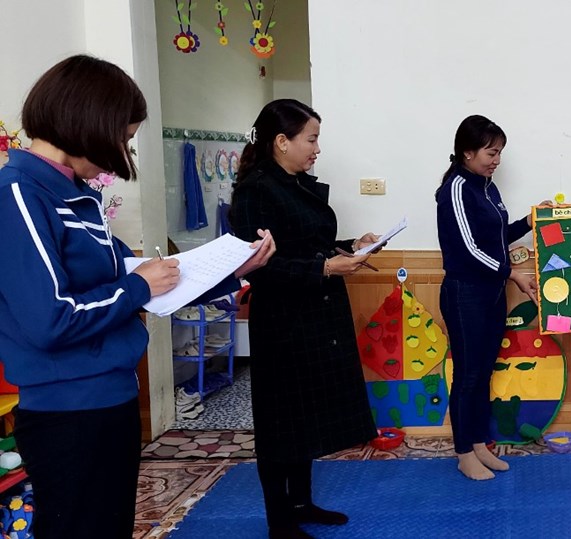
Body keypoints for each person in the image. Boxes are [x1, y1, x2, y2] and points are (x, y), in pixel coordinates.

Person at [0, 55, 274, 539]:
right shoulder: (19, 194)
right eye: (123, 139)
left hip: (112, 398)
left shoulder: (75, 195)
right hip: (69, 409)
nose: (122, 153)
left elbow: (138, 283)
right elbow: (51, 319)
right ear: (89, 124)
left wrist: (233, 273)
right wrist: (140, 285)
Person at [229, 99, 378, 539]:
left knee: (305, 420)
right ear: (281, 141)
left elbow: (305, 243)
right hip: (283, 324)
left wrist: (352, 246)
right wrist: (326, 268)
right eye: (311, 139)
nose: (317, 149)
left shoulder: (296, 184)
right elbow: (258, 267)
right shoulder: (256, 191)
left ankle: (301, 502)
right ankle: (280, 521)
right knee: (280, 425)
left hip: (316, 317)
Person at [435, 114, 547, 481]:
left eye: (499, 152)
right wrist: (512, 274)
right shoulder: (455, 188)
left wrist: (530, 221)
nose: (496, 160)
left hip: (491, 294)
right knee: (467, 376)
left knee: (482, 374)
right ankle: (464, 452)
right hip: (464, 294)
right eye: (490, 152)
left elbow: (496, 239)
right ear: (467, 152)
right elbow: (468, 250)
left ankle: (480, 443)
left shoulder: (488, 188)